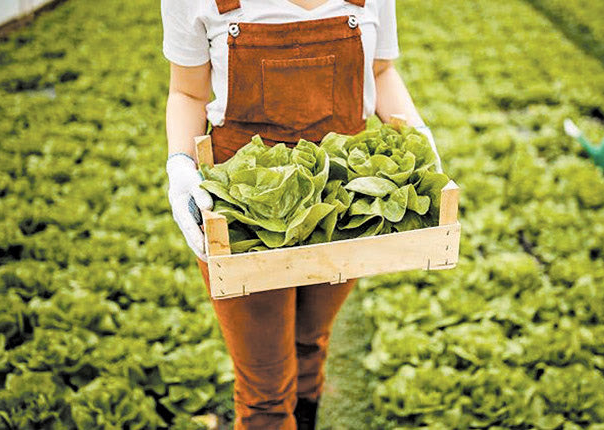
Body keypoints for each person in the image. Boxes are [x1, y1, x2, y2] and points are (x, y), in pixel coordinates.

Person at [160, 0, 442, 428]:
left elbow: (381, 72)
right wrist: (181, 163)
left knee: (311, 341)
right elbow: (188, 92)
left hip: (342, 209)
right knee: (265, 392)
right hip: (245, 215)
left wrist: (417, 132)